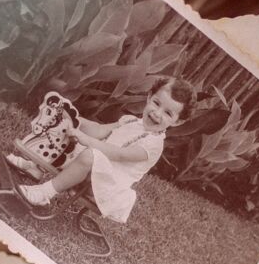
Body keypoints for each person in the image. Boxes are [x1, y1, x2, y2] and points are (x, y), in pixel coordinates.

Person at [17, 77, 196, 223]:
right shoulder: (130, 121)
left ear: (178, 122)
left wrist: (86, 140)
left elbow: (118, 154)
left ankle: (45, 193)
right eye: (156, 103)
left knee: (88, 154)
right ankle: (36, 166)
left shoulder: (153, 146)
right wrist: (76, 121)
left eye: (168, 113)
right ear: (149, 97)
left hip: (105, 187)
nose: (157, 113)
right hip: (91, 170)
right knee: (76, 142)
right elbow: (99, 130)